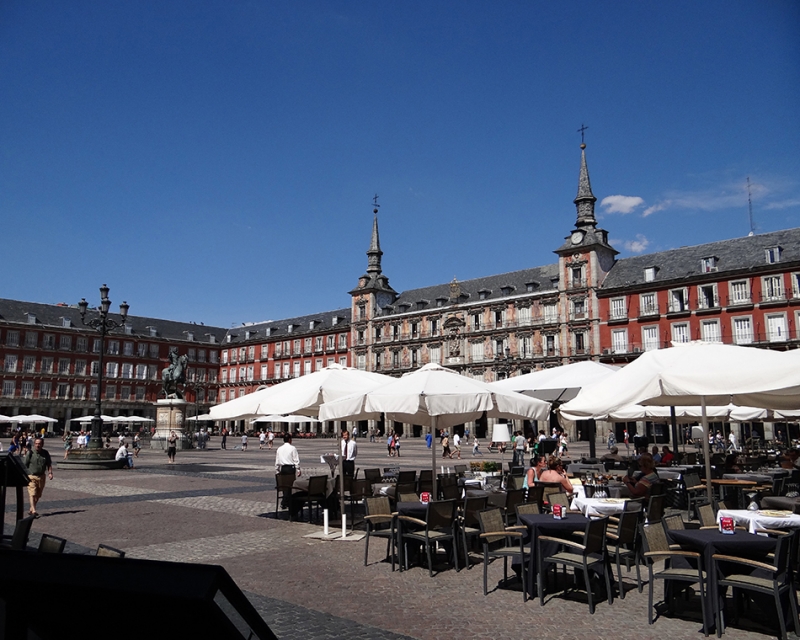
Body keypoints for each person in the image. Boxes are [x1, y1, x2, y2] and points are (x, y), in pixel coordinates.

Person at [24, 437, 53, 518]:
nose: (37, 445)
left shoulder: (45, 453)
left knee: (38, 495)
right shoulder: (30, 453)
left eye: (39, 444)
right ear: (34, 444)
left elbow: (49, 464)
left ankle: (31, 508)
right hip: (31, 476)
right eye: (36, 443)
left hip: (41, 476)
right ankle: (33, 510)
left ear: (42, 444)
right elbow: (24, 464)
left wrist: (50, 473)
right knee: (32, 493)